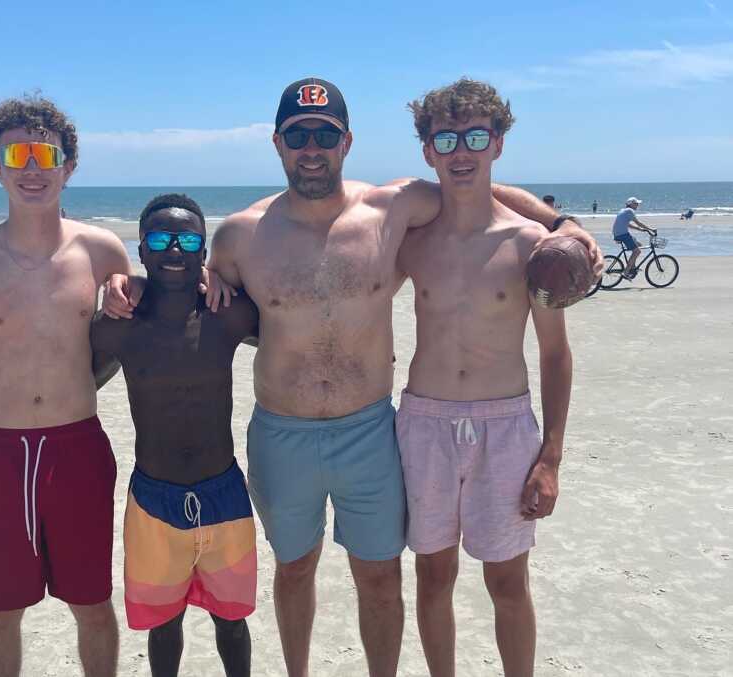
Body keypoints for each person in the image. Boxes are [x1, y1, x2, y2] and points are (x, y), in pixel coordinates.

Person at [105, 76, 600, 677]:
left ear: (346, 142)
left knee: (381, 574)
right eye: (298, 135)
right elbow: (175, 284)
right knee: (295, 569)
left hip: (370, 430)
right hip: (281, 433)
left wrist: (563, 223)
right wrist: (124, 282)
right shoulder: (240, 235)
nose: (311, 147)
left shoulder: (393, 208)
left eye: (324, 134)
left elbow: (473, 187)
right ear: (278, 144)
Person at [0, 193, 259, 677]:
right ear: (140, 250)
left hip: (224, 491)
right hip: (153, 497)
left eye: (188, 240)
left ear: (202, 253)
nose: (174, 250)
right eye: (161, 239)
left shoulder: (226, 314)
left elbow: (292, 333)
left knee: (231, 621)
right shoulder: (119, 328)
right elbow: (66, 374)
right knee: (165, 623)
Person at [0, 95, 133, 677]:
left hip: (79, 448)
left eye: (47, 154)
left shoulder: (102, 250)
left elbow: (127, 346)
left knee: (92, 603)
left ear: (69, 165)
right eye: (17, 154)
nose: (32, 168)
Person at [398, 77, 572, 677]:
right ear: (428, 151)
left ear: (498, 143)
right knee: (433, 574)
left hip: (505, 424)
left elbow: (555, 354)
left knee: (507, 578)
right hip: (424, 421)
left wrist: (550, 457)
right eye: (446, 139)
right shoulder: (411, 241)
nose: (461, 152)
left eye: (476, 136)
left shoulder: (532, 246)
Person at [612, 197, 655, 278]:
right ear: (631, 204)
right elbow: (638, 222)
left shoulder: (623, 210)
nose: (638, 205)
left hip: (618, 234)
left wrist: (639, 229)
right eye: (636, 204)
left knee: (638, 244)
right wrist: (650, 229)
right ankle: (626, 272)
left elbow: (627, 224)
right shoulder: (629, 211)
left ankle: (633, 267)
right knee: (637, 251)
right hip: (623, 234)